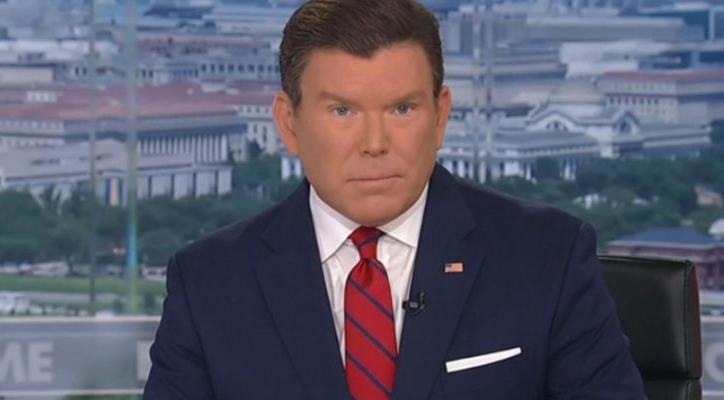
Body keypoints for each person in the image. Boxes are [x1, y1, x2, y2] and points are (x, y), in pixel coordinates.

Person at [143, 0, 646, 398]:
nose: (375, 143)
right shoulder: (210, 282)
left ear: (440, 116)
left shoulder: (547, 257)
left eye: (402, 109)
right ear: (289, 123)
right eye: (343, 112)